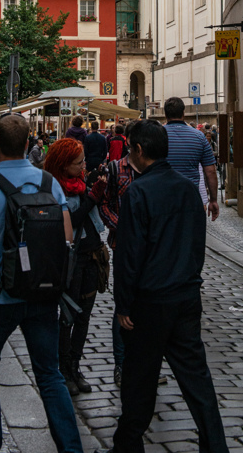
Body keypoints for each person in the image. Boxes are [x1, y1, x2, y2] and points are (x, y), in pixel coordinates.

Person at [0, 113, 84, 453]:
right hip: (43, 295)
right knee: (49, 374)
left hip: (0, 297)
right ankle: (71, 448)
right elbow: (66, 237)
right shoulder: (48, 183)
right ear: (28, 144)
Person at [98, 119, 229, 453]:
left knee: (139, 379)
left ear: (139, 150)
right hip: (185, 296)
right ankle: (215, 446)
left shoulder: (139, 192)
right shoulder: (188, 188)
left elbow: (130, 255)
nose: (127, 156)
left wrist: (123, 305)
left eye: (129, 150)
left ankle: (128, 445)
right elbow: (197, 243)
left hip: (149, 301)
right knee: (197, 380)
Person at [44, 137, 107, 396]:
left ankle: (75, 366)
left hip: (91, 254)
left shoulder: (80, 184)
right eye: (78, 163)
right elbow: (68, 223)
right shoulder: (53, 190)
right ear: (63, 164)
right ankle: (64, 369)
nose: (83, 167)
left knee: (84, 316)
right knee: (67, 317)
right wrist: (92, 198)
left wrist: (94, 193)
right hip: (71, 259)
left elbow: (93, 220)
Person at [97, 122, 142, 386]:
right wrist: (123, 228)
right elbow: (104, 204)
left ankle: (145, 364)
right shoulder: (116, 169)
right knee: (123, 305)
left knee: (147, 305)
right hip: (122, 246)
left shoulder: (154, 171)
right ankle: (121, 364)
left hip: (151, 249)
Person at [162, 97, 219, 220]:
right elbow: (210, 171)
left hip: (163, 198)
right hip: (191, 198)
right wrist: (213, 200)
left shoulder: (158, 135)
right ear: (183, 113)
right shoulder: (199, 137)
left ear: (165, 114)